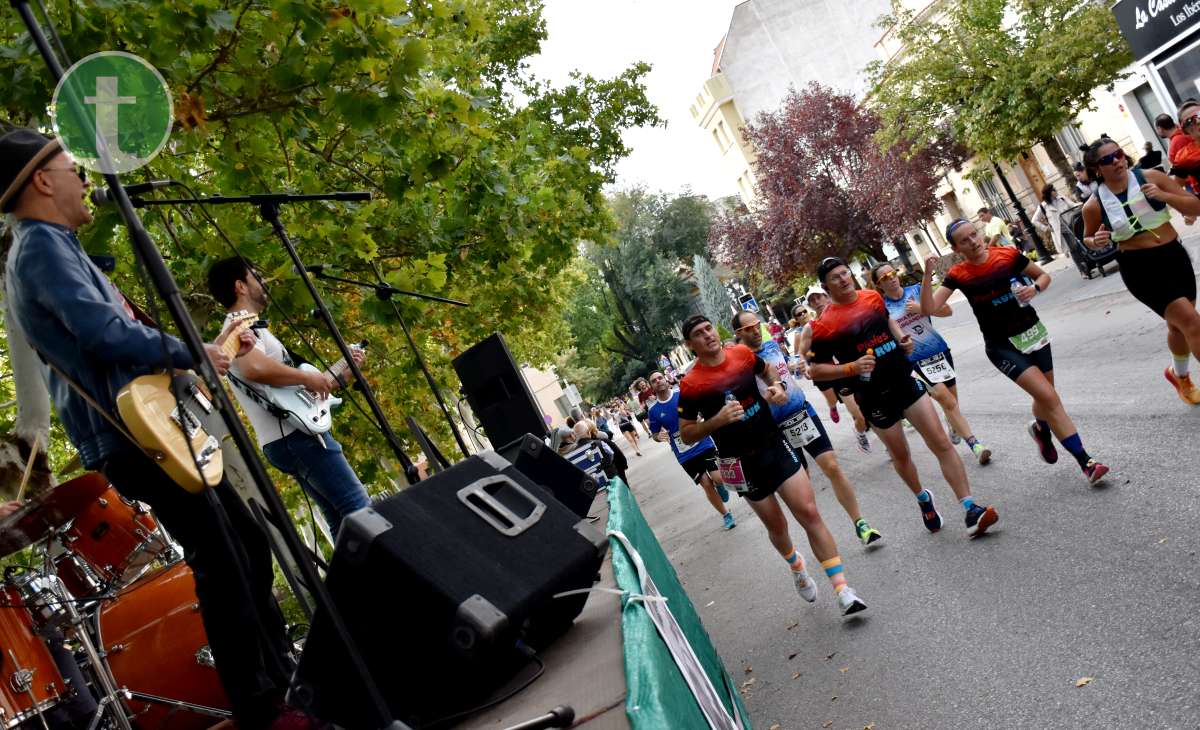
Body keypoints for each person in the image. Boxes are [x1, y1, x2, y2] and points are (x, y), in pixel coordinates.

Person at [0, 129, 304, 729]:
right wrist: (188, 349)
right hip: (128, 435)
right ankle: (263, 705)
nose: (84, 179)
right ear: (41, 180)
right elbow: (102, 333)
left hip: (139, 428)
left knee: (243, 545)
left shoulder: (53, 246)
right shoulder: (39, 248)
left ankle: (280, 684)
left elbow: (108, 337)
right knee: (223, 555)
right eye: (71, 167)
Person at [677, 314, 866, 616]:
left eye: (709, 328)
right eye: (698, 334)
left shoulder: (741, 354)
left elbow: (768, 373)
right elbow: (686, 434)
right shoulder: (691, 384)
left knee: (809, 512)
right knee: (777, 526)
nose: (707, 335)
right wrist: (716, 421)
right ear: (690, 345)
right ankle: (796, 565)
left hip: (773, 445)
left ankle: (843, 589)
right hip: (741, 462)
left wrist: (776, 388)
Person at [809, 257, 998, 537]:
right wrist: (850, 367)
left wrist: (902, 341)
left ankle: (970, 508)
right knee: (901, 455)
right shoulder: (823, 325)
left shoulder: (872, 297)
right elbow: (816, 371)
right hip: (872, 395)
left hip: (903, 379)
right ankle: (923, 498)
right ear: (826, 287)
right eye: (835, 278)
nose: (843, 279)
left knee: (941, 442)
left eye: (845, 273)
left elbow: (887, 321)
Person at [925, 220, 1111, 484]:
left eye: (974, 235)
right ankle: (1087, 463)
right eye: (964, 240)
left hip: (1033, 332)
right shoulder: (959, 274)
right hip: (1002, 345)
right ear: (956, 248)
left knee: (1046, 397)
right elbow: (930, 307)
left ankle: (1040, 428)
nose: (974, 242)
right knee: (1050, 397)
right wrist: (925, 276)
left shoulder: (1008, 255)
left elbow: (1043, 276)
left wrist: (1034, 289)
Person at [207, 257, 370, 540]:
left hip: (288, 437)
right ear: (240, 286)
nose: (264, 282)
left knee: (341, 520)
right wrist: (308, 377)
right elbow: (253, 368)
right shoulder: (237, 326)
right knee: (360, 509)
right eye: (256, 276)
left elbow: (295, 392)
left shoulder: (254, 328)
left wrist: (341, 375)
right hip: (296, 437)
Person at [732, 310, 882, 547]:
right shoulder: (739, 366)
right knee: (804, 489)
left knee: (831, 465)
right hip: (776, 429)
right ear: (739, 333)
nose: (756, 331)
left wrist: (797, 366)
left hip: (802, 412)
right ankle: (821, 535)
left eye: (757, 325)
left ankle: (860, 522)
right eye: (749, 328)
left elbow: (786, 371)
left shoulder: (771, 347)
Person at [1080, 136, 1200, 406]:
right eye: (1107, 160)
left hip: (1174, 255)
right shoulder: (1094, 205)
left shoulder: (1152, 177)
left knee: (1179, 326)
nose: (1117, 161)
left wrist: (1165, 195)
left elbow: (1196, 207)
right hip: (1140, 268)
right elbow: (1087, 238)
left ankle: (1179, 376)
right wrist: (1095, 241)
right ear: (1097, 169)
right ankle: (1183, 377)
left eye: (1119, 154)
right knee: (1192, 322)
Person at [869, 262, 992, 465]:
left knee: (952, 403)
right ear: (878, 284)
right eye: (884, 277)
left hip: (939, 352)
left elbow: (947, 311)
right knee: (948, 402)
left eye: (892, 273)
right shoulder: (882, 308)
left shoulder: (917, 290)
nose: (890, 278)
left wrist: (922, 308)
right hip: (915, 362)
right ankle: (975, 445)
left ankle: (954, 425)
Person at [645, 371, 736, 530]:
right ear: (651, 386)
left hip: (702, 442)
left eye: (660, 378)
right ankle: (726, 514)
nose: (658, 381)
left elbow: (701, 410)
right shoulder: (653, 411)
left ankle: (720, 486)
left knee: (718, 478)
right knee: (706, 484)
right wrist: (659, 436)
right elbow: (654, 433)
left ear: (666, 379)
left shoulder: (682, 395)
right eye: (654, 380)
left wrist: (701, 418)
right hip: (684, 454)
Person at [792, 287, 872, 454]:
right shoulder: (810, 328)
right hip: (833, 374)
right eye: (812, 300)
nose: (817, 302)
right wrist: (806, 362)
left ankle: (880, 434)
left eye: (819, 297)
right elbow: (803, 352)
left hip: (857, 369)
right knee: (858, 414)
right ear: (810, 306)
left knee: (869, 409)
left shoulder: (845, 316)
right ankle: (857, 428)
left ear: (827, 296)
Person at [1032, 183, 1074, 259]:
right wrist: (1046, 228)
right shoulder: (1043, 206)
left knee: (1078, 247)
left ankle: (1085, 266)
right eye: (1054, 190)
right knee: (1072, 250)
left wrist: (1082, 205)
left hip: (1071, 226)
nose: (1056, 191)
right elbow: (1034, 220)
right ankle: (1082, 268)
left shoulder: (1061, 198)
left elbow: (1072, 205)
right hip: (1060, 232)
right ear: (1049, 193)